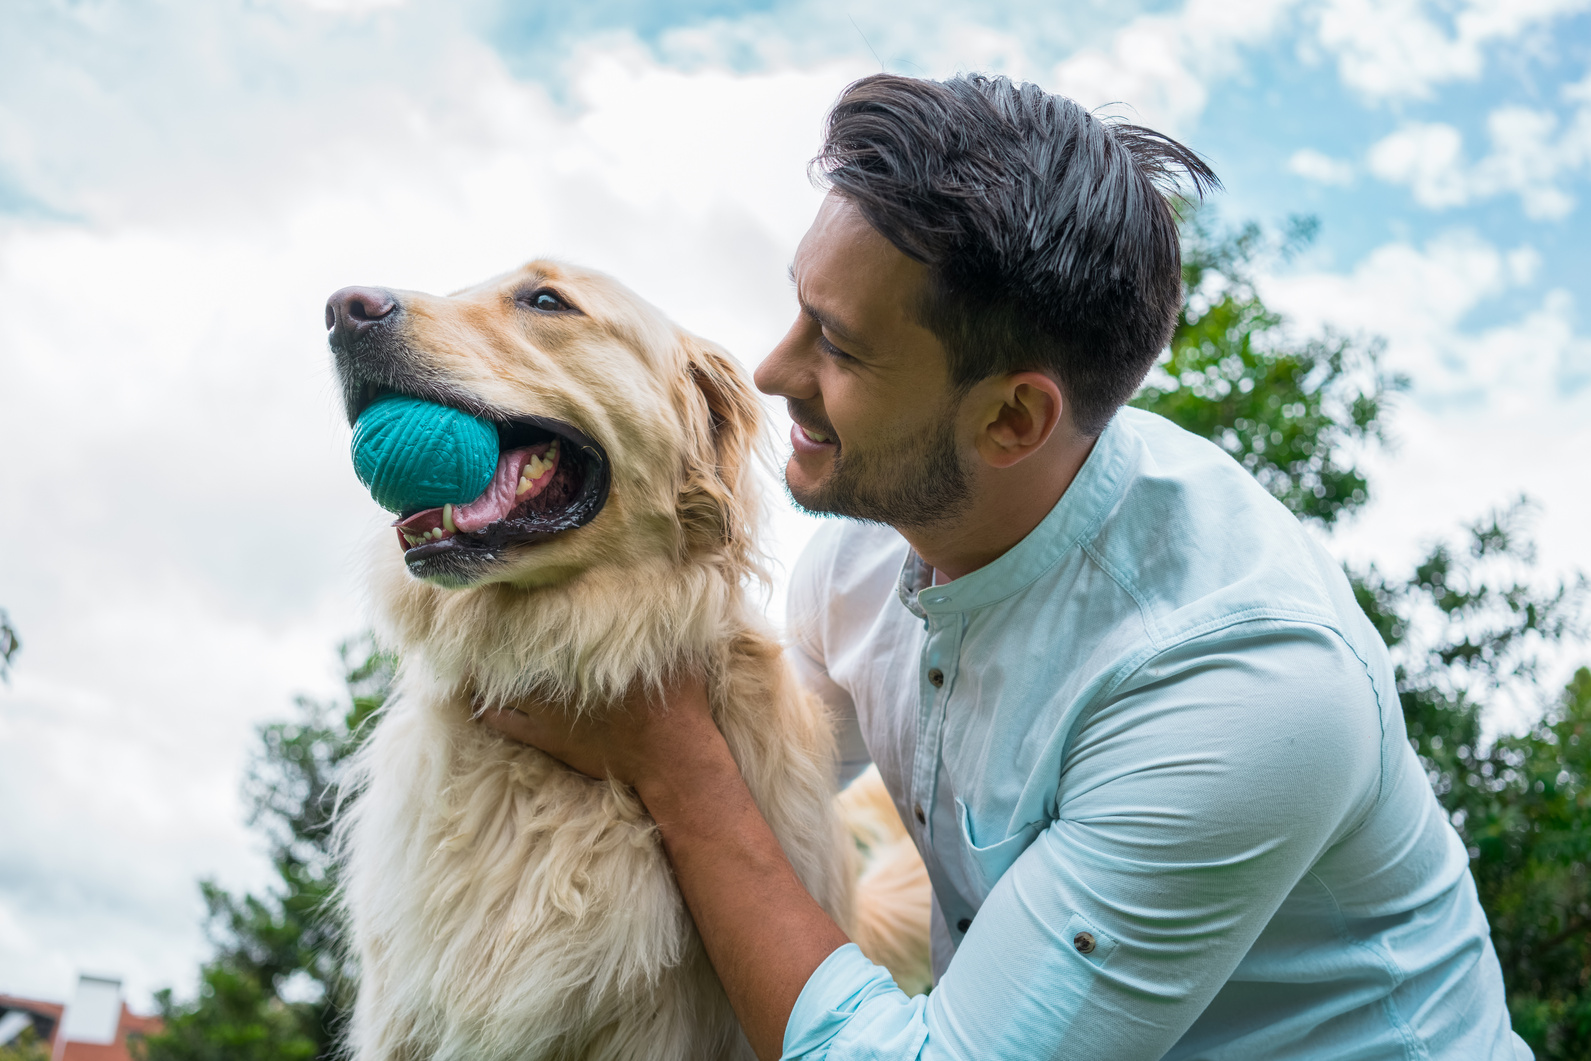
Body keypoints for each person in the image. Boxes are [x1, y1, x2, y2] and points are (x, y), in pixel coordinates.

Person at [482, 73, 1530, 1060]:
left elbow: (702, 779)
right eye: (799, 302)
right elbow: (757, 766)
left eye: (839, 349)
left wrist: (677, 767)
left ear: (1013, 417)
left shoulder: (1242, 686)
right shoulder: (861, 548)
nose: (770, 371)